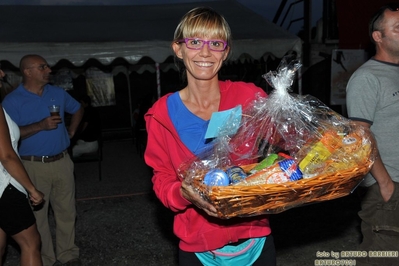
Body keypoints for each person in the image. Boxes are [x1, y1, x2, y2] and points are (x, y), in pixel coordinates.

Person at [144, 7, 276, 266]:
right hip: (198, 248)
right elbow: (161, 180)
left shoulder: (249, 98)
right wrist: (183, 194)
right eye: (194, 42)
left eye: (215, 43)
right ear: (178, 49)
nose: (205, 52)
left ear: (225, 52)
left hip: (255, 238)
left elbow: (282, 143)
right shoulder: (161, 114)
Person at [2, 54, 84, 266]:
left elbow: (78, 109)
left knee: (66, 211)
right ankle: (45, 258)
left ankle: (68, 254)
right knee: (37, 217)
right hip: (31, 165)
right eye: (42, 67)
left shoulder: (57, 93)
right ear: (27, 72)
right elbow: (8, 135)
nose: (48, 70)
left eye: (47, 66)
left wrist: (72, 131)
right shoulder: (11, 101)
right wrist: (40, 125)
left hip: (62, 160)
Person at [346, 3, 399, 266]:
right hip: (388, 188)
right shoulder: (367, 78)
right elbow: (360, 135)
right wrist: (385, 184)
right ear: (378, 36)